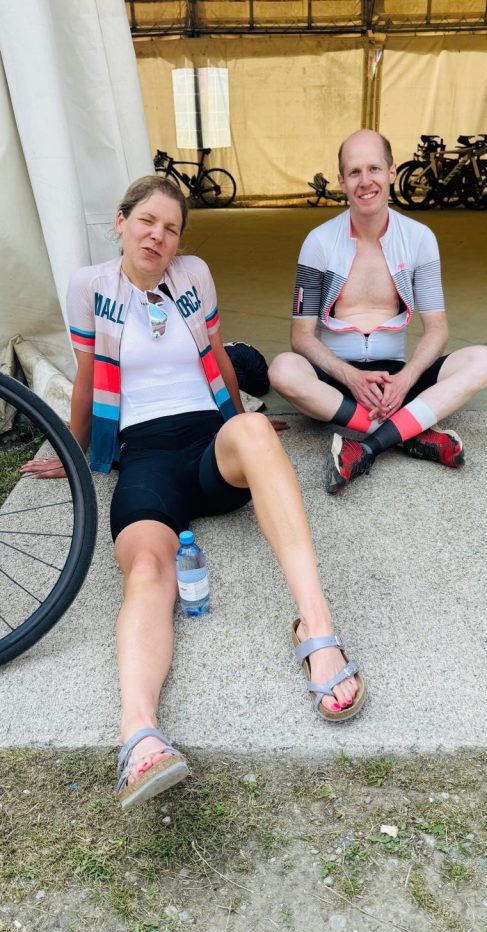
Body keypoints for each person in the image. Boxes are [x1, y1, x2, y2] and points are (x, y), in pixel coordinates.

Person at [20, 175, 366, 809]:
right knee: (148, 570)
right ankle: (140, 736)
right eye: (146, 221)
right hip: (143, 455)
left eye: (172, 228)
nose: (158, 235)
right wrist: (71, 454)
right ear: (120, 222)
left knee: (254, 432)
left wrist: (245, 422)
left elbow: (218, 358)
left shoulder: (194, 276)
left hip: (210, 447)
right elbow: (87, 376)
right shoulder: (89, 286)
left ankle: (317, 631)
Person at [268, 129, 487, 493]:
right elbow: (301, 337)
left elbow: (437, 329)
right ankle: (409, 431)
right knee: (282, 369)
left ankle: (367, 445)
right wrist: (351, 377)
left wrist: (406, 379)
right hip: (336, 382)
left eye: (374, 168)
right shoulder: (318, 242)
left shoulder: (419, 238)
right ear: (342, 181)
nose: (365, 181)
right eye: (354, 172)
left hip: (396, 379)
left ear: (392, 171)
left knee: (483, 360)